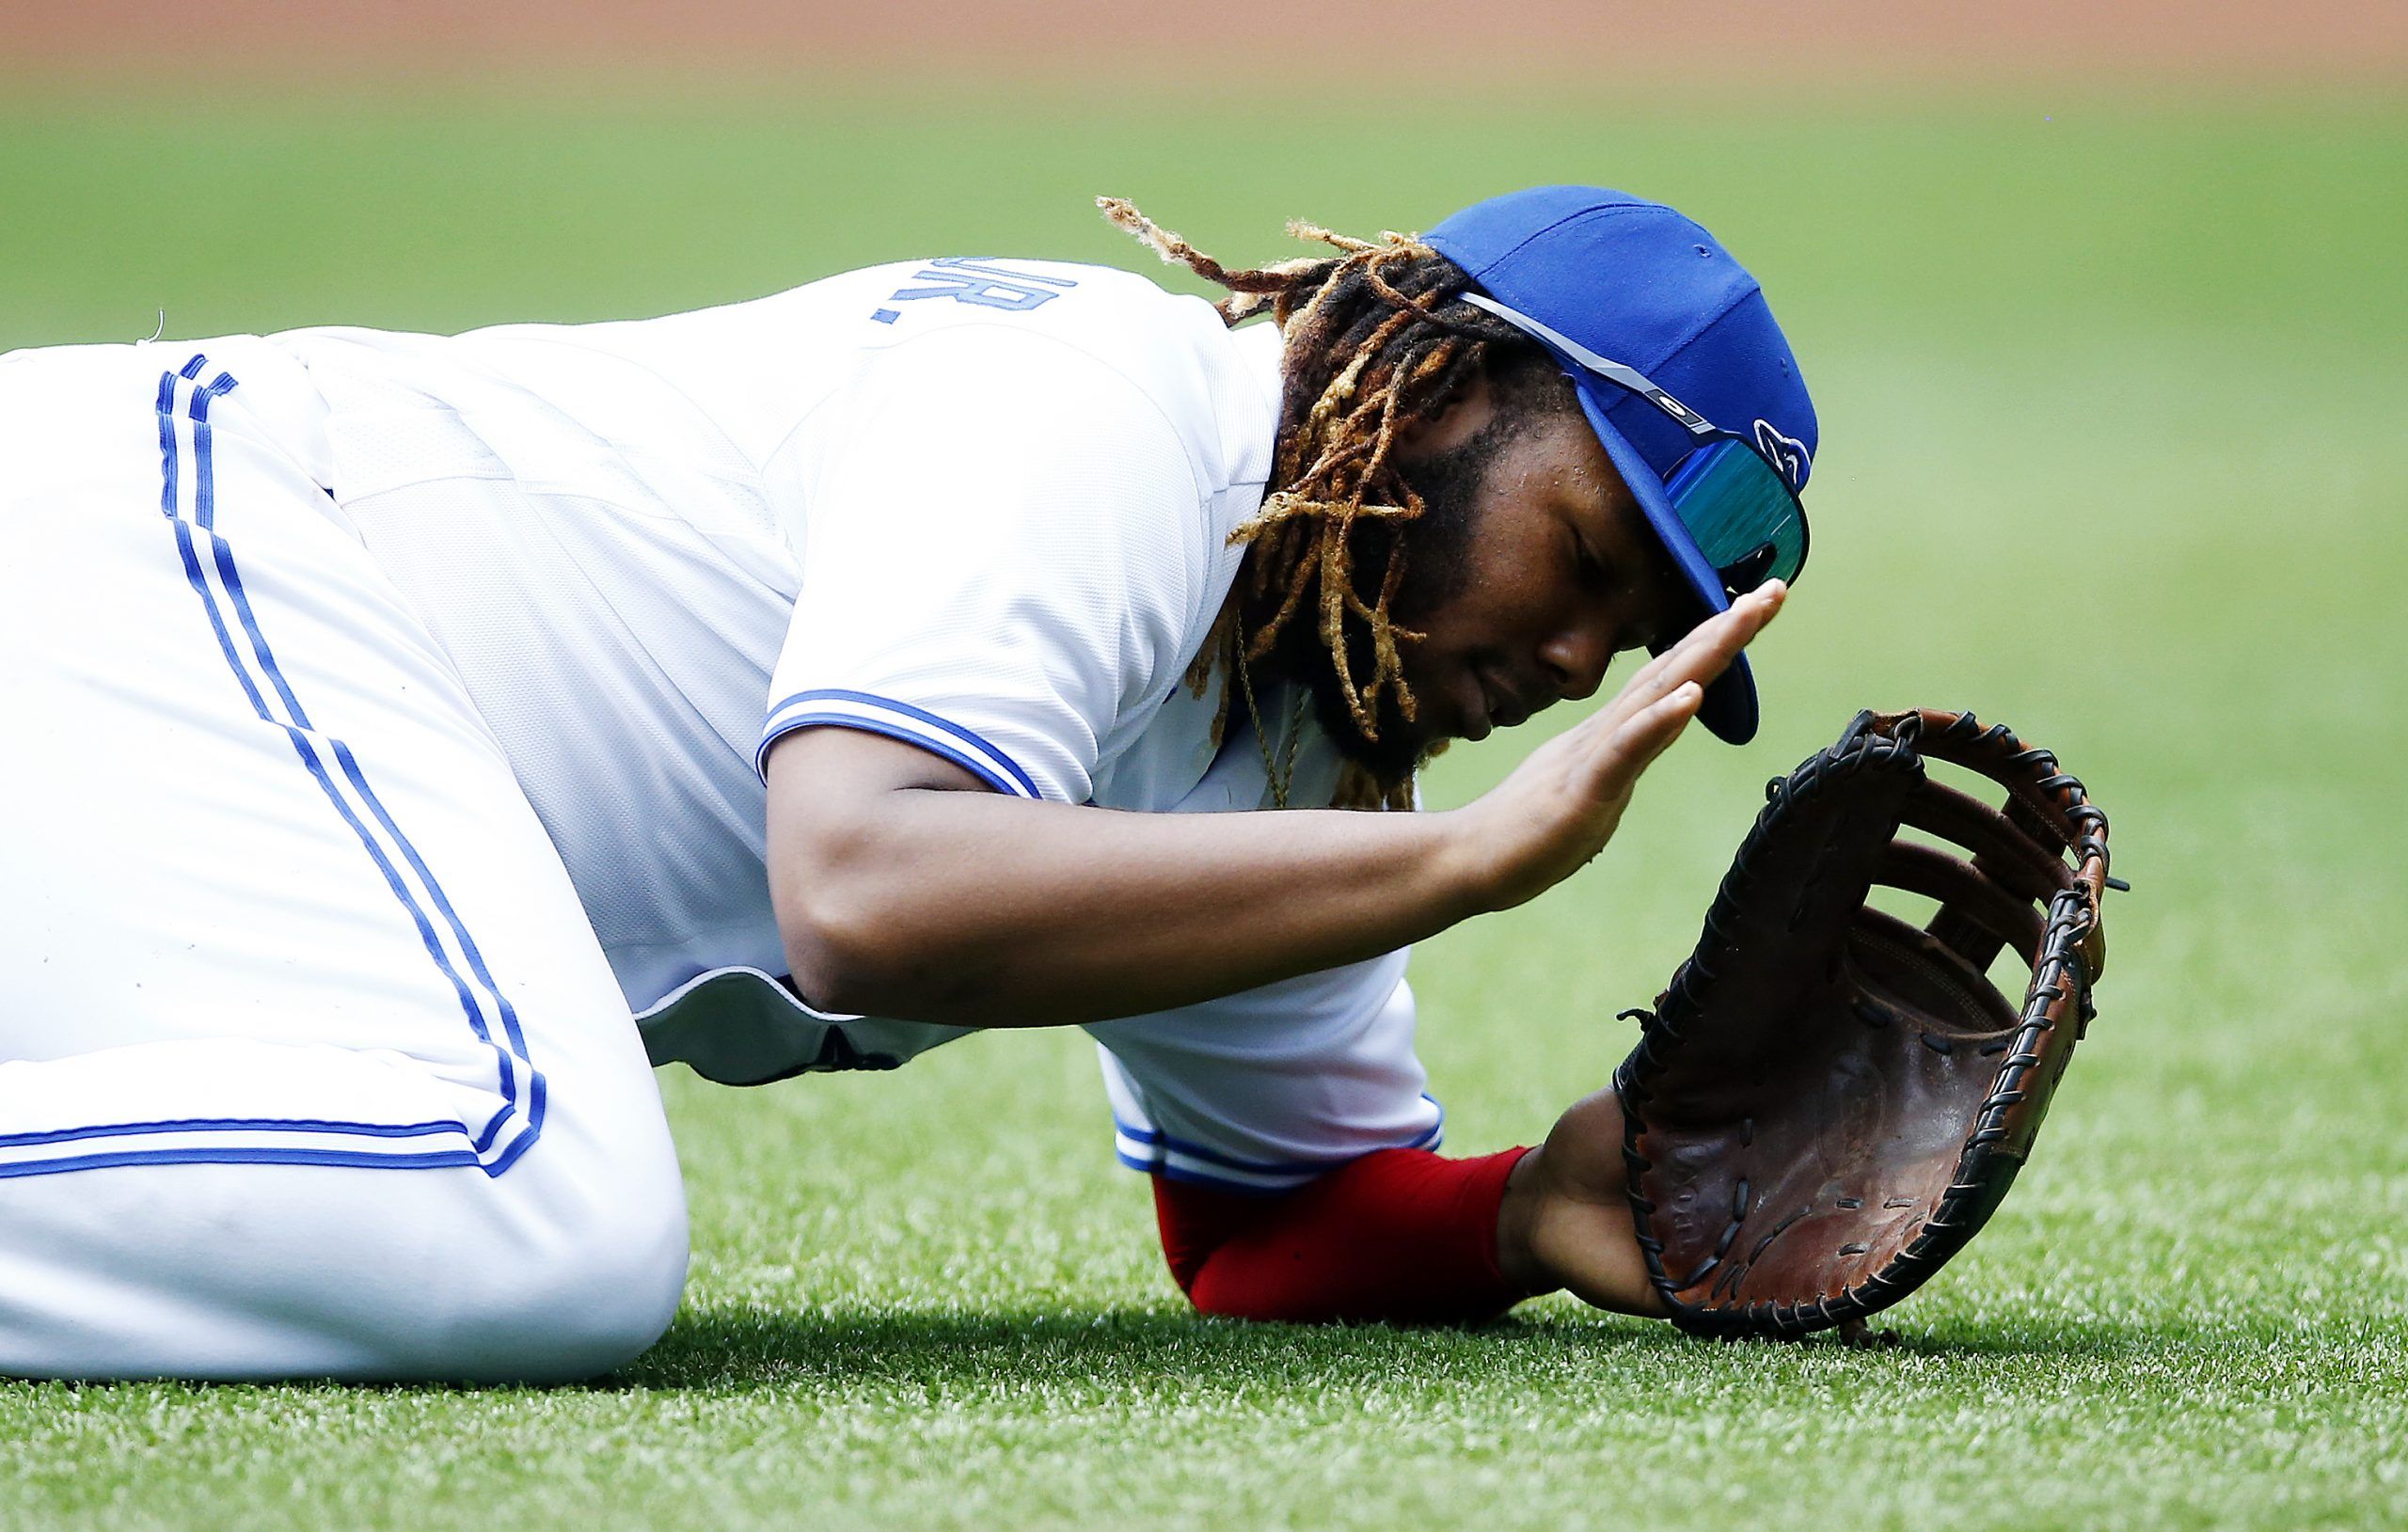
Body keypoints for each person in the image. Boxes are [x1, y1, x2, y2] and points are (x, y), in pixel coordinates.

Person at [0, 184, 1814, 1381]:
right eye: (1584, 554)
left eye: (1643, 630)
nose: (1585, 660)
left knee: (446, 1147)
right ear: (1434, 382)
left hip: (196, 723)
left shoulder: (1302, 770)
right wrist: (1471, 865)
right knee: (541, 1195)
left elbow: (1277, 1221)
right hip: (169, 545)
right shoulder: (1116, 412)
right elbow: (866, 892)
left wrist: (1528, 1209)